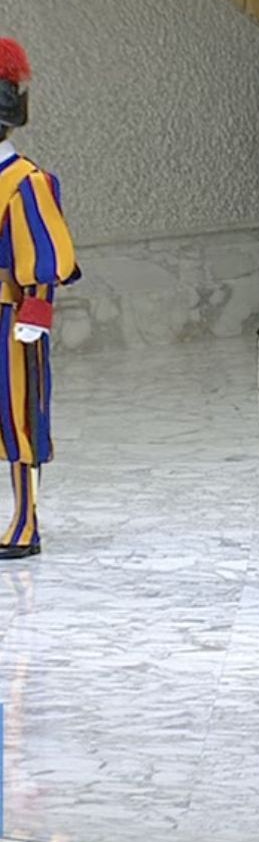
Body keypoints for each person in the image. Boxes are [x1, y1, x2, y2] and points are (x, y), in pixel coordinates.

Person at [0, 37, 80, 560]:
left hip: (9, 318)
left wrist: (36, 313)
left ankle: (26, 518)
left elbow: (45, 256)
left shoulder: (26, 182)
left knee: (18, 414)